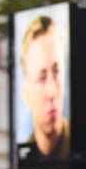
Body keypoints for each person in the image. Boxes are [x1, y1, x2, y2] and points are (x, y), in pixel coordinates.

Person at [20, 16, 70, 161]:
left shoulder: (80, 140)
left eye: (56, 72)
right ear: (26, 95)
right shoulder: (26, 154)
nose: (51, 92)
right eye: (41, 78)